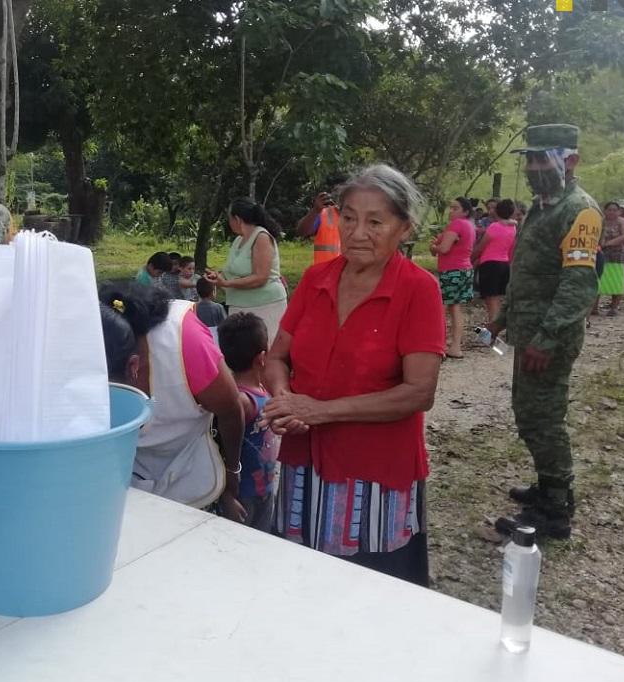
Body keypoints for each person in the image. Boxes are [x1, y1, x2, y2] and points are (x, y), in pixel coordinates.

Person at [261, 164, 445, 586]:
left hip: (375, 471)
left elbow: (418, 392)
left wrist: (321, 410)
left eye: (375, 221)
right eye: (348, 217)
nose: (358, 232)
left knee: (372, 590)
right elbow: (276, 358)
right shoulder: (316, 279)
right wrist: (284, 398)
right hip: (303, 460)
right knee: (301, 582)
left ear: (404, 227)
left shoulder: (418, 290)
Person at [489, 124, 602, 539]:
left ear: (570, 160)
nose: (535, 167)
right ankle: (546, 485)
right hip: (529, 331)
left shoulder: (580, 210)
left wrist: (547, 337)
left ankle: (556, 508)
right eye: (530, 159)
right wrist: (502, 319)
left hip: (549, 339)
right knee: (528, 412)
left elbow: (577, 283)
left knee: (544, 419)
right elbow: (528, 273)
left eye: (543, 159)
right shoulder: (542, 206)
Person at [98, 282, 246, 519]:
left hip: (191, 473)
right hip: (124, 479)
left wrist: (232, 474)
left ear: (133, 366)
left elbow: (230, 410)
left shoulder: (185, 343)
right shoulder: (86, 350)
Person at [217, 313, 281, 531]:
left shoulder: (262, 389)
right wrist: (226, 496)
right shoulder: (242, 401)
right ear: (262, 357)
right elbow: (222, 449)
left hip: (264, 487)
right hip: (243, 495)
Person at [205, 199, 288, 348]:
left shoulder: (261, 237)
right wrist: (218, 276)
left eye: (229, 218)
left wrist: (227, 283)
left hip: (265, 305)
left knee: (264, 350)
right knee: (241, 355)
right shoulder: (238, 240)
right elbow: (232, 270)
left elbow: (261, 277)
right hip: (239, 306)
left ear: (237, 219)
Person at [430, 197, 476, 359]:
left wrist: (433, 247)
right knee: (456, 308)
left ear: (465, 211)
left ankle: (439, 344)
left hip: (452, 271)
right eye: (451, 207)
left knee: (441, 307)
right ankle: (455, 346)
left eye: (455, 208)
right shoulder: (470, 225)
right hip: (465, 269)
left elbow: (443, 248)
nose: (451, 211)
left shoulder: (456, 224)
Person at [472, 197, 517, 323]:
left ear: (497, 211)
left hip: (490, 265)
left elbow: (481, 247)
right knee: (496, 299)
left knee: (491, 302)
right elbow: (512, 249)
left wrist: (470, 260)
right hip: (504, 264)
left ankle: (490, 336)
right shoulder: (513, 227)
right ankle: (490, 332)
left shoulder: (494, 227)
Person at [296, 174, 346, 265]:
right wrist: (315, 210)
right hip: (325, 272)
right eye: (337, 194)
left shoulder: (358, 216)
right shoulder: (323, 214)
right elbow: (301, 232)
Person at [595, 202, 624, 317]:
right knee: (598, 278)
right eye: (609, 209)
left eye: (615, 210)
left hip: (617, 254)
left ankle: (614, 307)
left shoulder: (622, 221)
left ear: (619, 211)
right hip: (601, 253)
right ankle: (594, 307)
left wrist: (608, 243)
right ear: (604, 210)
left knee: (617, 279)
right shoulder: (600, 220)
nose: (612, 212)